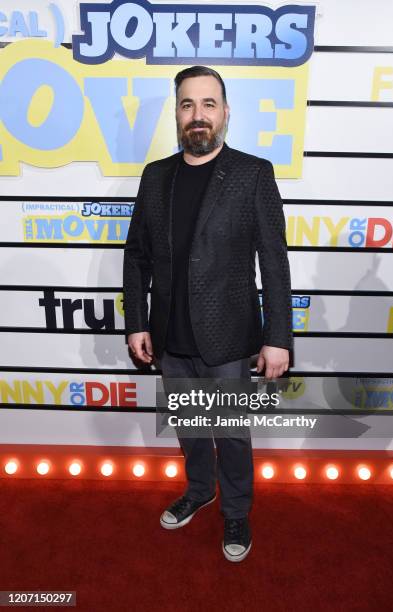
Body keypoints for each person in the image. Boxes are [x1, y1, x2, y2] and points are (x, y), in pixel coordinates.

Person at [123, 65, 293, 562]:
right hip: (169, 339)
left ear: (225, 113)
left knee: (232, 434)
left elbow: (274, 261)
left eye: (208, 104)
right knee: (191, 427)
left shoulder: (252, 173)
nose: (198, 115)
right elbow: (137, 255)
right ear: (177, 113)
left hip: (228, 339)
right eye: (187, 104)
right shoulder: (156, 177)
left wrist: (277, 336)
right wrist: (137, 321)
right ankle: (200, 489)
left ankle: (236, 509)